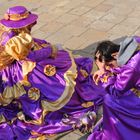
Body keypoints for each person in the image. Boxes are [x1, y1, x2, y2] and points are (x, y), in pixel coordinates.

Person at [0, 6, 105, 139]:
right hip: (16, 69)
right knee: (46, 78)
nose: (30, 25)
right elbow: (29, 57)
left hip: (15, 61)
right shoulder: (12, 40)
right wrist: (51, 50)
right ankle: (63, 104)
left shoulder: (5, 29)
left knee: (54, 63)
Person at [88, 37, 140, 140]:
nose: (110, 69)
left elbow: (116, 91)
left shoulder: (130, 68)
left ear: (115, 55)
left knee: (110, 100)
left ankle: (120, 132)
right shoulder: (131, 45)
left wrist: (103, 72)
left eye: (109, 65)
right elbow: (119, 69)